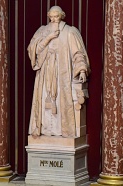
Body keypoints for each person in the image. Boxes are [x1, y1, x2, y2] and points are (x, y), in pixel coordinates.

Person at [27, 6, 90, 138]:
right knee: (45, 100)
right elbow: (35, 50)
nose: (54, 19)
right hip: (45, 73)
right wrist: (48, 37)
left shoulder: (69, 32)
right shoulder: (42, 31)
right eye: (52, 17)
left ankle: (60, 130)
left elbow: (77, 53)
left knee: (62, 101)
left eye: (57, 17)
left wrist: (82, 70)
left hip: (63, 73)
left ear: (61, 16)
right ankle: (46, 129)